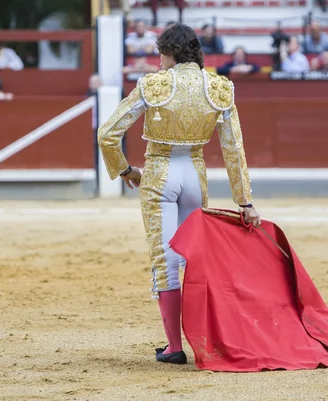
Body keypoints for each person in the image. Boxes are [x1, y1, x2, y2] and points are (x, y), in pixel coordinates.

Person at [97, 23, 260, 365]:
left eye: (161, 53)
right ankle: (207, 341)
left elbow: (107, 134)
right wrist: (244, 201)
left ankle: (174, 347)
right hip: (195, 176)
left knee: (166, 261)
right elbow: (234, 149)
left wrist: (125, 170)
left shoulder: (154, 85)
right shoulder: (219, 87)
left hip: (160, 173)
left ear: (170, 52)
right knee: (196, 260)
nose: (159, 60)